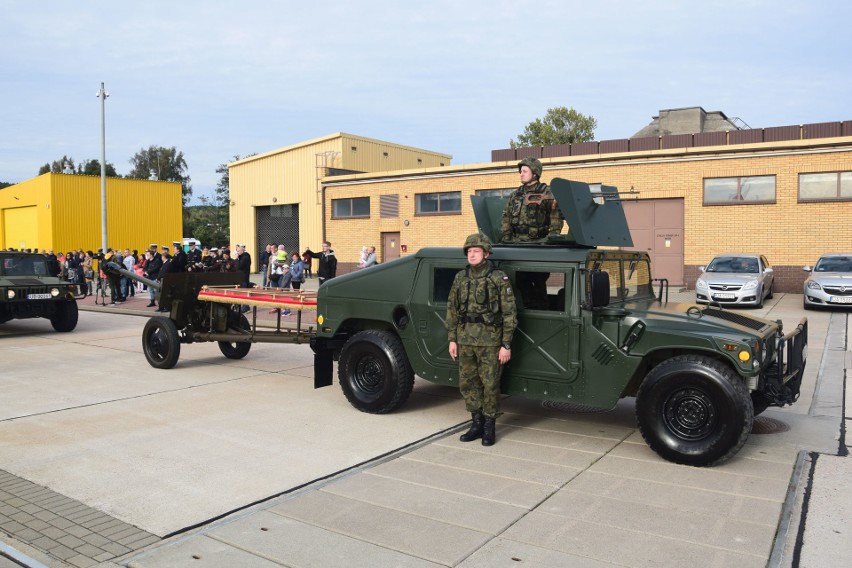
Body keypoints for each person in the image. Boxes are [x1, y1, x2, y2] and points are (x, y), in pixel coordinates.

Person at [445, 233, 516, 446]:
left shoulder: (498, 278)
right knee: (468, 384)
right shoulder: (461, 278)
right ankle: (475, 424)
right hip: (465, 340)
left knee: (490, 385)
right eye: (469, 251)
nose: (472, 255)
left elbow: (509, 313)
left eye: (476, 251)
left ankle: (489, 428)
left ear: (486, 254)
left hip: (490, 342)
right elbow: (452, 309)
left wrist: (506, 344)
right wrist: (452, 339)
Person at [500, 158, 564, 243]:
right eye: (521, 172)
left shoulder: (546, 193)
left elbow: (555, 216)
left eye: (525, 171)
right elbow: (506, 217)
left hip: (539, 242)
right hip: (516, 242)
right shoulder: (515, 195)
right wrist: (506, 237)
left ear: (534, 173)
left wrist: (553, 237)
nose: (521, 174)